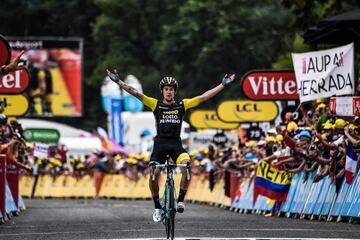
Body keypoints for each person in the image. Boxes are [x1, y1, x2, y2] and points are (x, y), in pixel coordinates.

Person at [106, 69, 235, 222]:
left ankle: (180, 200)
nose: (169, 92)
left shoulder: (182, 105)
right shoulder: (155, 104)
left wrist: (222, 85)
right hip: (160, 145)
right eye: (166, 89)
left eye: (171, 89)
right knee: (153, 172)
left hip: (176, 145)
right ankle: (157, 208)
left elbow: (203, 97)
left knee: (187, 166)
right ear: (162, 91)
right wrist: (118, 82)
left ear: (174, 91)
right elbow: (134, 92)